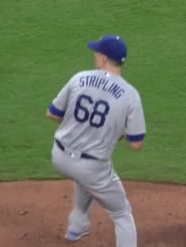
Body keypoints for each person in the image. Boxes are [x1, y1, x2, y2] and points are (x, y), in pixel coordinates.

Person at [46, 34, 147, 247]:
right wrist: (115, 132)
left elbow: (52, 113)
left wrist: (79, 126)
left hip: (59, 156)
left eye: (96, 52)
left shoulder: (79, 78)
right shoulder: (130, 95)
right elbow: (136, 143)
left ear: (103, 58)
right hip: (92, 167)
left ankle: (76, 227)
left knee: (86, 180)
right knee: (122, 213)